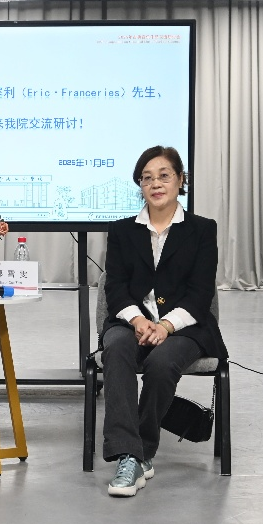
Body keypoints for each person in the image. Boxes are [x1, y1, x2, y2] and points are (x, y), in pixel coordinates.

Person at [100, 146, 228, 497]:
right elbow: (115, 287)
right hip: (131, 323)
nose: (155, 184)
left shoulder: (202, 230)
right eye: (147, 178)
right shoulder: (122, 231)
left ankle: (139, 453)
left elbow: (200, 293)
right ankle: (129, 456)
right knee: (116, 350)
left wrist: (166, 326)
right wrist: (138, 320)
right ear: (140, 185)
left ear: (180, 180)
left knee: (161, 362)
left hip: (186, 327)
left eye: (164, 175)